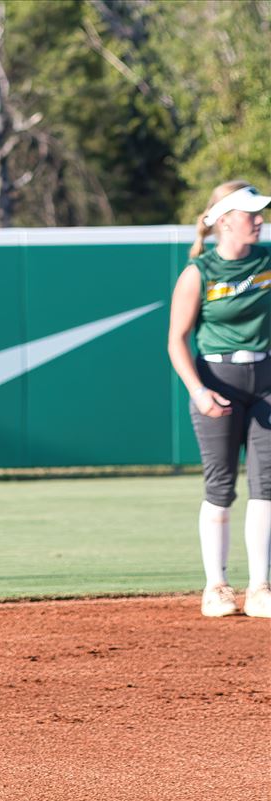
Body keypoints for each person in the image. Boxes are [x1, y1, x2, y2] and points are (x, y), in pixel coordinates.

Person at [166, 180, 271, 619]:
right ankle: (217, 587)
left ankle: (261, 587)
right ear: (225, 220)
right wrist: (198, 389)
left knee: (267, 487)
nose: (261, 220)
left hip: (265, 379)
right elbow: (176, 340)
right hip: (218, 379)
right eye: (252, 214)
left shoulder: (268, 261)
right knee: (220, 486)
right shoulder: (200, 272)